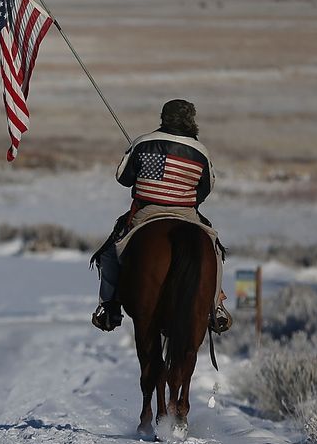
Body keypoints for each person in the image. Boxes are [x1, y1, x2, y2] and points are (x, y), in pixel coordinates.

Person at [91, 99, 232, 333]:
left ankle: (109, 307)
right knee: (214, 249)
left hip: (146, 212)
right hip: (187, 213)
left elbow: (123, 177)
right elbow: (206, 187)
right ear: (191, 120)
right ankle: (215, 306)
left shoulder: (143, 142)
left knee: (108, 254)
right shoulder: (200, 151)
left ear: (163, 117)